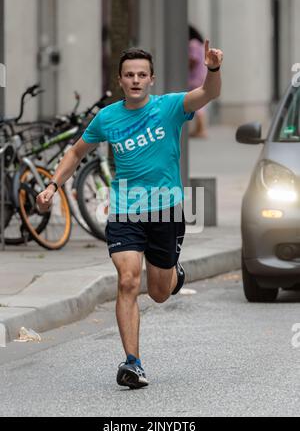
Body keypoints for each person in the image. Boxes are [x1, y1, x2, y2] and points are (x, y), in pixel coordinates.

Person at [36, 42, 223, 390]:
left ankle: (172, 274)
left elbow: (208, 94)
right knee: (126, 280)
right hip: (124, 209)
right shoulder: (107, 117)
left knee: (159, 292)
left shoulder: (169, 107)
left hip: (166, 210)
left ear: (151, 79)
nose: (135, 80)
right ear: (120, 80)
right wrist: (53, 187)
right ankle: (132, 363)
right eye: (129, 75)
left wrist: (212, 69)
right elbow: (76, 152)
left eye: (141, 75)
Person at [188, 25, 208, 138]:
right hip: (200, 76)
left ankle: (201, 130)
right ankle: (199, 129)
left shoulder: (193, 44)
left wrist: (186, 66)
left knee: (197, 104)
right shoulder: (199, 44)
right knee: (199, 103)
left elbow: (193, 59)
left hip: (194, 77)